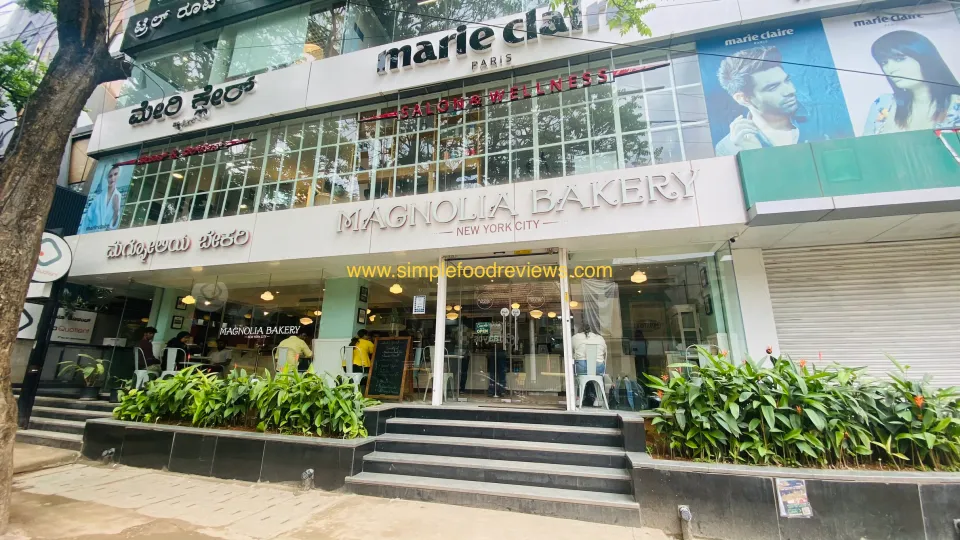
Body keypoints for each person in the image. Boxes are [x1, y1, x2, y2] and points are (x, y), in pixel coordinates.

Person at [714, 46, 848, 155]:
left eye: (787, 80)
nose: (790, 90)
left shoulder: (829, 116)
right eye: (772, 88)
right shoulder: (729, 148)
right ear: (743, 98)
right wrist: (753, 155)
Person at [863, 30, 960, 136]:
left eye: (899, 59)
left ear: (925, 59)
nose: (890, 69)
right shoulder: (883, 104)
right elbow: (865, 144)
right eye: (884, 62)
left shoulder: (956, 104)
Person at [572, 325, 608, 406]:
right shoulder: (600, 338)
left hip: (582, 367)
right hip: (598, 367)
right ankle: (598, 399)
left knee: (575, 373)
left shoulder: (575, 337)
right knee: (593, 375)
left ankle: (578, 397)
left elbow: (570, 351)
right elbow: (605, 350)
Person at [82, 165, 123, 233]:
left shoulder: (119, 196)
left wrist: (116, 211)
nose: (113, 178)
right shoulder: (98, 198)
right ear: (106, 177)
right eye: (110, 176)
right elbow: (87, 220)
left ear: (119, 175)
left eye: (115, 174)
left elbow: (114, 226)